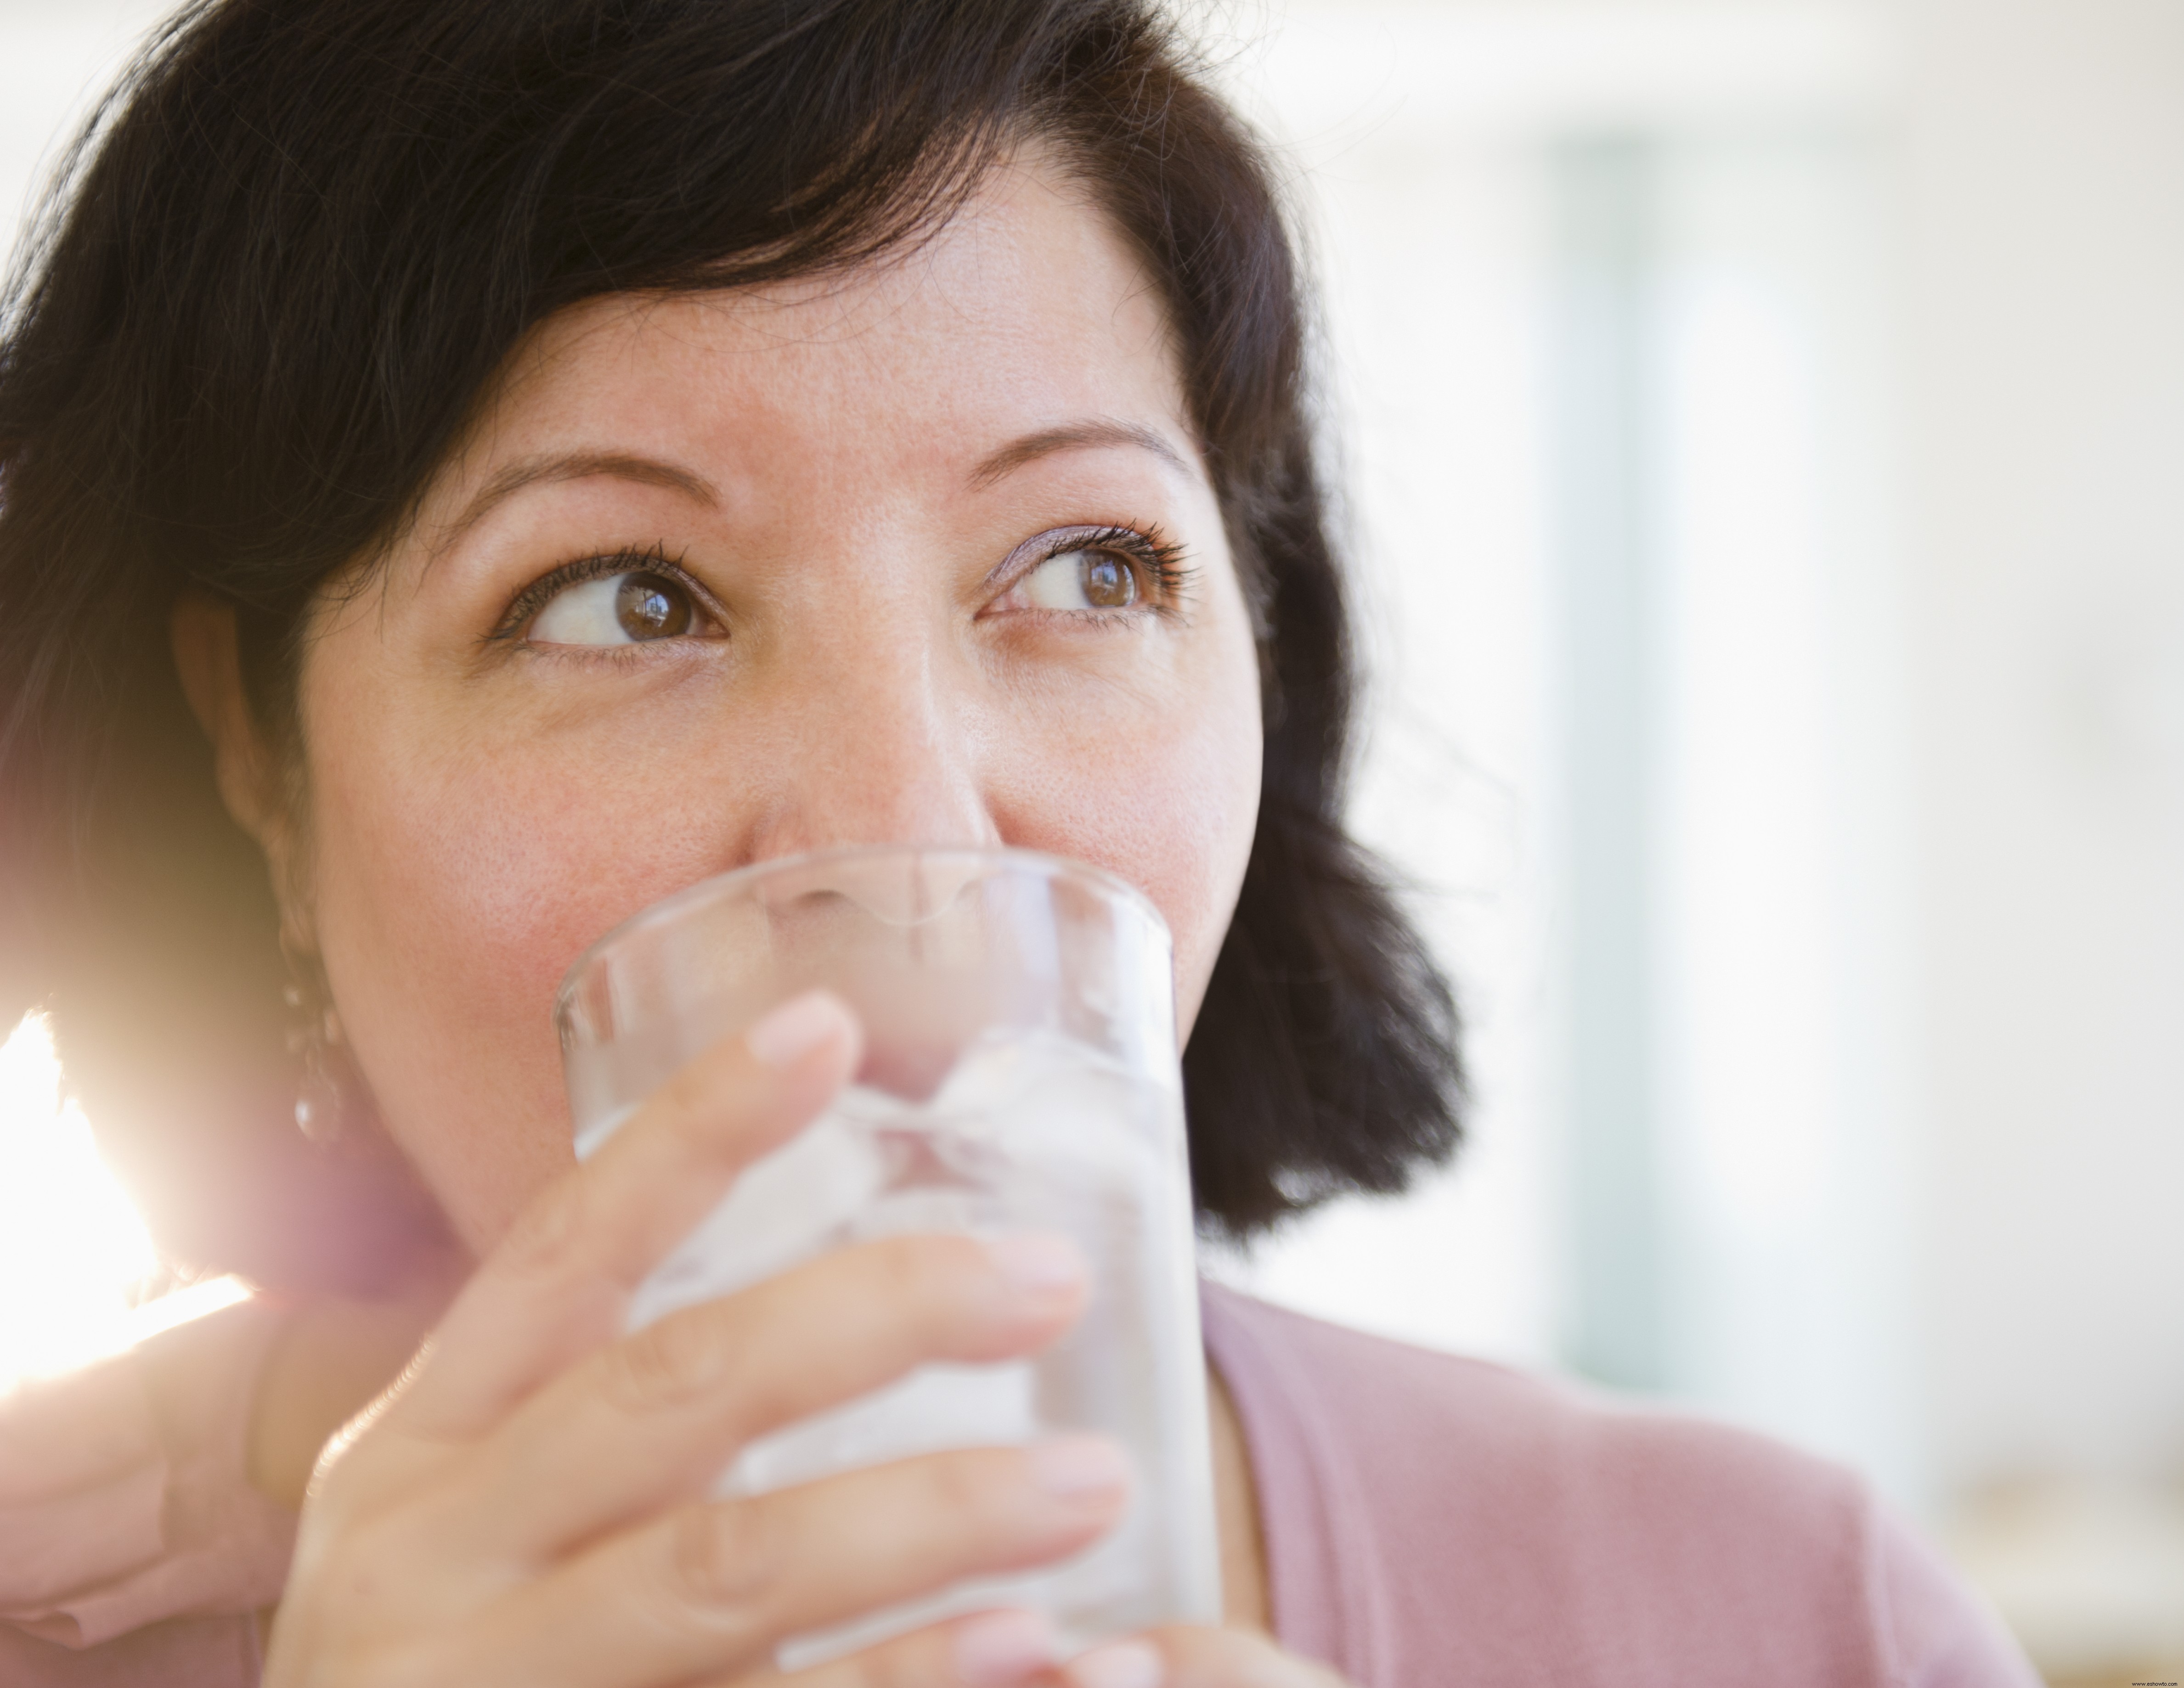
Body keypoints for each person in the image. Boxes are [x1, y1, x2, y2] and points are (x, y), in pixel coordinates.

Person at [0, 2, 2038, 1684]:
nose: (910, 836)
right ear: (256, 754)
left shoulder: (1800, 1619)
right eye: (624, 594)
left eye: (1087, 563)